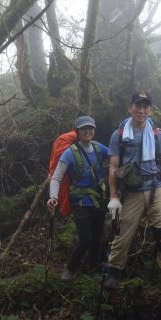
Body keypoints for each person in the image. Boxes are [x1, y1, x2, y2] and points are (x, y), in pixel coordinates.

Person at [104, 91, 161, 293]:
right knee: (123, 233)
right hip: (132, 190)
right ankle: (113, 271)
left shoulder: (157, 134)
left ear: (150, 109)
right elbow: (113, 167)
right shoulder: (119, 135)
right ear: (130, 108)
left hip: (156, 186)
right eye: (137, 106)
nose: (141, 110)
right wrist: (113, 197)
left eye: (145, 107)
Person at [47, 116, 109, 281]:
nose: (87, 131)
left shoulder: (99, 148)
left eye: (90, 128)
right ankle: (70, 268)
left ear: (94, 130)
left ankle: (93, 270)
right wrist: (53, 197)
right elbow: (56, 177)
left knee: (97, 238)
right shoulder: (69, 153)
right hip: (81, 202)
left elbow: (116, 154)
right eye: (83, 128)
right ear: (78, 131)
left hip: (99, 200)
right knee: (86, 239)